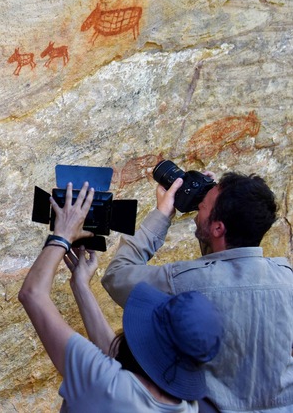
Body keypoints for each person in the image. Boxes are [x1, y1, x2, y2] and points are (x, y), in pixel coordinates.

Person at [19, 182, 223, 412]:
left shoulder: (104, 383)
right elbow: (117, 358)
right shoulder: (187, 406)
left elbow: (32, 294)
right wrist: (80, 286)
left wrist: (62, 235)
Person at [102, 172, 293, 412]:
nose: (198, 207)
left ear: (218, 227)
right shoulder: (287, 277)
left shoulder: (186, 282)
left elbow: (116, 275)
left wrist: (162, 215)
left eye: (202, 206)